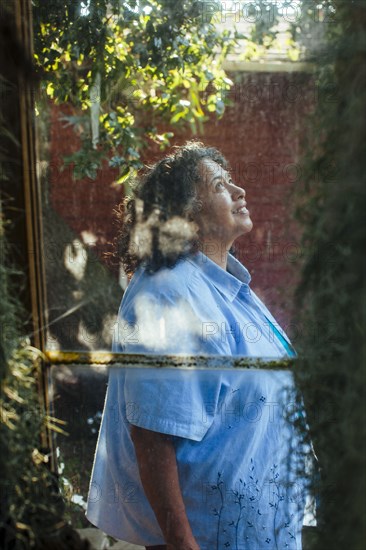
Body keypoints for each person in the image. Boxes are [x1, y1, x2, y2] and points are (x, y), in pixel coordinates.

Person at [86, 141, 310, 549]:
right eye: (222, 185)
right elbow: (152, 436)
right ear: (188, 212)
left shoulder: (222, 286)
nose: (240, 192)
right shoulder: (171, 293)